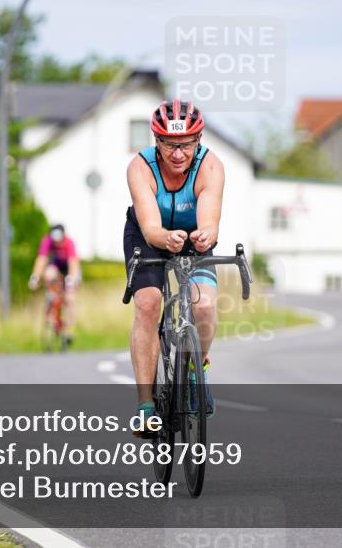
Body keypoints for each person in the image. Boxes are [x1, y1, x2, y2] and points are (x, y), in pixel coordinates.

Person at [125, 99, 224, 433]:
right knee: (148, 303)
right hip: (147, 235)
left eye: (185, 145)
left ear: (197, 141)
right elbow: (151, 226)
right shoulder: (140, 168)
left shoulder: (211, 166)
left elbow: (210, 220)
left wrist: (205, 234)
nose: (178, 153)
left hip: (195, 238)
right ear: (157, 141)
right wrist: (163, 237)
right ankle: (144, 406)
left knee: (205, 305)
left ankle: (197, 370)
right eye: (169, 145)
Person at [28, 223, 82, 343]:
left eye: (59, 241)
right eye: (55, 241)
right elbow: (41, 259)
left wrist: (71, 281)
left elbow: (73, 263)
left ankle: (69, 330)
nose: (57, 244)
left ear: (63, 236)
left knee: (70, 298)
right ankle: (51, 301)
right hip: (56, 266)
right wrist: (35, 277)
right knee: (48, 274)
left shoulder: (69, 242)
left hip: (69, 267)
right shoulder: (47, 241)